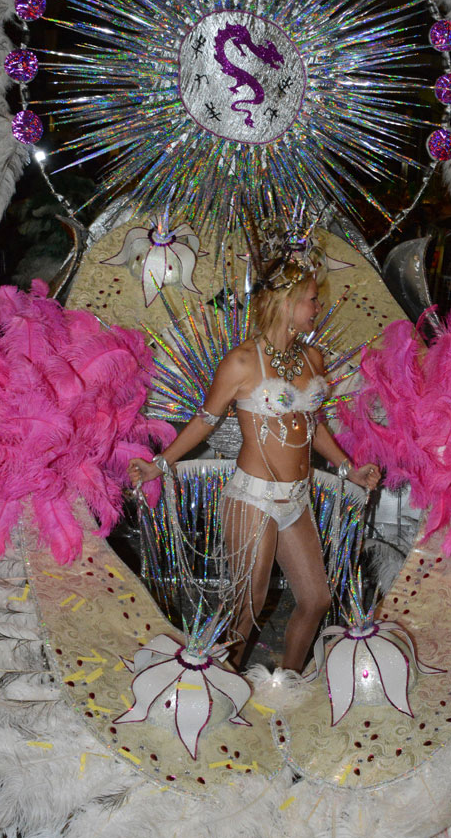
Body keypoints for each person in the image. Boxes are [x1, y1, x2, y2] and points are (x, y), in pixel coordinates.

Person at [129, 258, 381, 672]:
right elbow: (205, 421)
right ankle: (220, 687)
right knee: (247, 605)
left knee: (316, 599)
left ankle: (286, 683)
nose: (317, 307)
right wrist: (160, 464)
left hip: (296, 500)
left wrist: (347, 467)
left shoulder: (312, 358)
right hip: (253, 497)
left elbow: (310, 425)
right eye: (312, 300)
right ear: (287, 302)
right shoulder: (243, 362)